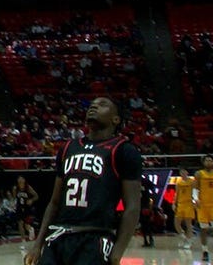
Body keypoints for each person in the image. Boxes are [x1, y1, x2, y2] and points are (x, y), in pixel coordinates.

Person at [23, 97, 142, 265]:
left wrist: (118, 250)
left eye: (102, 105)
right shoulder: (68, 148)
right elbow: (54, 202)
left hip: (95, 237)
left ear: (116, 119)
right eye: (92, 104)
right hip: (58, 237)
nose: (93, 106)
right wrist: (38, 244)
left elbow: (132, 207)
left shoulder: (124, 150)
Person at [172, 168, 195, 250]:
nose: (183, 173)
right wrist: (174, 203)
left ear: (187, 172)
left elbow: (195, 193)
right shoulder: (178, 182)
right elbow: (176, 194)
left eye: (184, 171)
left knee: (188, 224)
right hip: (180, 204)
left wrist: (195, 201)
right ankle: (183, 236)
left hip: (188, 204)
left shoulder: (192, 182)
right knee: (176, 223)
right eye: (181, 171)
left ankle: (189, 241)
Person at [12, 175, 38, 247]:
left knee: (26, 225)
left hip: (27, 208)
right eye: (19, 179)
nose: (20, 180)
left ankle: (31, 229)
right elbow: (14, 198)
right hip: (19, 207)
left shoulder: (28, 187)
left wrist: (31, 200)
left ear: (24, 180)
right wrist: (13, 204)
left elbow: (36, 196)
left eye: (22, 179)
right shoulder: (15, 188)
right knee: (20, 223)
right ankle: (23, 240)